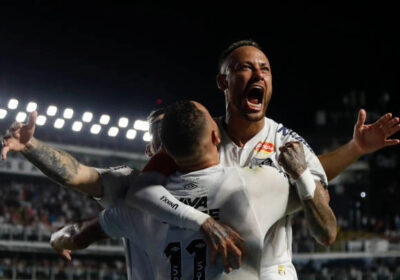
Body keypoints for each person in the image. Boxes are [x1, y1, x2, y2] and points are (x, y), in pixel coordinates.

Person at [2, 39, 399, 279]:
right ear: (223, 83)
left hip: (274, 271)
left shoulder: (286, 142)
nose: (257, 73)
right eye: (245, 67)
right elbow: (125, 186)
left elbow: (312, 179)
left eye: (265, 68)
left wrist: (355, 150)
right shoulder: (203, 145)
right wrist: (203, 221)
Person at [51, 100, 308, 279]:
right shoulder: (255, 184)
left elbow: (78, 232)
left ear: (160, 152)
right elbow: (314, 200)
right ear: (216, 138)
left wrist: (59, 240)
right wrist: (305, 173)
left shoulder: (134, 206)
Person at [1, 109, 245, 279]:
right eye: (164, 130)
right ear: (150, 149)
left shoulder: (231, 183)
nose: (174, 134)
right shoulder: (130, 185)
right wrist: (31, 146)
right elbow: (76, 174)